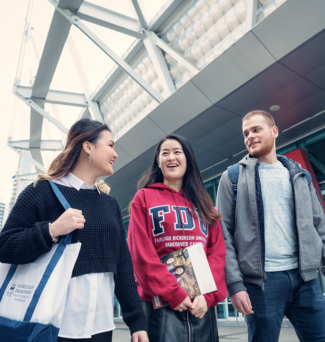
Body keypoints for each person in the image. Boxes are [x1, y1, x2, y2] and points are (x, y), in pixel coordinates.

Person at [0, 119, 148, 342]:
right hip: (51, 325)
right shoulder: (40, 191)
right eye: (110, 145)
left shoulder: (110, 204)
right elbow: (5, 246)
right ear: (88, 146)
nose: (115, 154)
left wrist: (137, 322)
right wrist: (51, 230)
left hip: (101, 326)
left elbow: (123, 265)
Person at [217, 110, 325, 342]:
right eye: (246, 133)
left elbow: (319, 225)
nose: (250, 136)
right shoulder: (232, 178)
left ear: (274, 131)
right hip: (261, 283)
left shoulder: (300, 175)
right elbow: (222, 234)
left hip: (306, 279)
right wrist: (235, 285)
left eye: (256, 130)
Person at [127, 134, 227, 342]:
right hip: (161, 307)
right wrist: (172, 293)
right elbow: (141, 254)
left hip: (202, 306)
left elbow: (216, 253)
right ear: (158, 162)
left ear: (188, 159)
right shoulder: (143, 198)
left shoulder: (204, 204)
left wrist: (207, 297)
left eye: (177, 152)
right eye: (165, 153)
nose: (171, 157)